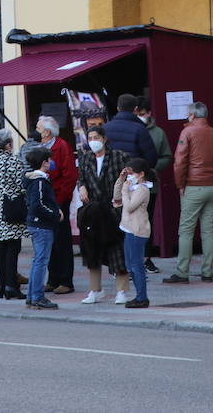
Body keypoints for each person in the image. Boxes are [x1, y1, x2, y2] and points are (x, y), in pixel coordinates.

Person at [164, 102, 213, 285]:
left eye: (188, 114)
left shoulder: (188, 132)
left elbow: (179, 162)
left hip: (194, 186)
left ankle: (182, 272)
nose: (187, 117)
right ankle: (207, 272)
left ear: (193, 115)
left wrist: (180, 185)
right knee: (208, 230)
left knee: (186, 230)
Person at [76, 125, 132, 304]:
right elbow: (82, 177)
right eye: (90, 138)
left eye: (96, 137)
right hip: (93, 210)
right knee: (92, 250)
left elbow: (128, 179)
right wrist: (82, 186)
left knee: (117, 250)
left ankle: (121, 291)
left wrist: (121, 199)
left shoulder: (118, 156)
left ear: (104, 139)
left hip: (113, 209)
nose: (93, 141)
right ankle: (95, 290)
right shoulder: (85, 158)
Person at [35, 115, 77, 295]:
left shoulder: (62, 146)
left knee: (62, 241)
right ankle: (52, 279)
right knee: (48, 241)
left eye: (39, 127)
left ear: (47, 131)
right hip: (45, 199)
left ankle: (66, 280)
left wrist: (60, 201)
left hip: (59, 200)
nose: (36, 129)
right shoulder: (39, 147)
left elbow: (69, 176)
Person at [0, 129, 26, 300]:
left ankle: (1, 285)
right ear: (8, 145)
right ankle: (11, 286)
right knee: (13, 248)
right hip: (12, 209)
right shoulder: (13, 161)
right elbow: (21, 186)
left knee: (0, 248)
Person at [134, 98, 172, 273]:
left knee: (146, 221)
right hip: (130, 186)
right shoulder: (131, 130)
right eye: (137, 114)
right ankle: (131, 259)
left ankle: (147, 257)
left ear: (149, 113)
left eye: (142, 114)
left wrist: (152, 168)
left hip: (150, 185)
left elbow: (166, 156)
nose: (140, 117)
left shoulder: (158, 133)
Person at [23, 145, 63, 310]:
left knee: (37, 260)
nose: (51, 162)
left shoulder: (35, 179)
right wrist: (55, 215)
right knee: (41, 261)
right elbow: (37, 205)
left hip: (37, 225)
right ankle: (38, 296)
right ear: (44, 162)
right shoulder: (39, 181)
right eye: (49, 159)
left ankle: (32, 296)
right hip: (42, 225)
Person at [114, 157, 153, 309]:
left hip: (138, 231)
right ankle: (139, 296)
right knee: (130, 265)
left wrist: (125, 190)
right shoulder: (132, 187)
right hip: (128, 229)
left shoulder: (142, 189)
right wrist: (121, 180)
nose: (129, 176)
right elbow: (117, 197)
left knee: (136, 265)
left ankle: (142, 297)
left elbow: (129, 206)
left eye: (131, 173)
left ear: (141, 174)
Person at [103, 94, 158, 166]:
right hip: (134, 173)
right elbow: (151, 159)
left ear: (118, 109)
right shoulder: (140, 129)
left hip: (112, 173)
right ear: (135, 109)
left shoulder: (105, 128)